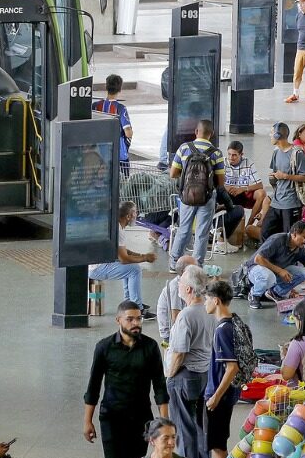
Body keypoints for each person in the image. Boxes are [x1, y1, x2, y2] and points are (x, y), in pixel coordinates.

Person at [85, 299, 170, 458]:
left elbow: (160, 386)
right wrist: (87, 421)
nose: (136, 323)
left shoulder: (151, 348)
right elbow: (93, 387)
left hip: (140, 420)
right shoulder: (104, 348)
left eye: (138, 319)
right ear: (119, 320)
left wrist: (163, 423)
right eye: (130, 319)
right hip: (111, 417)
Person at [164, 266, 214, 458]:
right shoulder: (209, 311)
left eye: (180, 282)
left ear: (188, 288)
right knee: (202, 425)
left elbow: (179, 353)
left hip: (184, 376)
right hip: (204, 373)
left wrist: (169, 375)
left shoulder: (186, 316)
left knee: (184, 427)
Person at [201, 280, 242, 458]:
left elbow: (232, 367)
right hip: (229, 394)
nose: (205, 303)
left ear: (216, 301)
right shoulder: (235, 321)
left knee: (217, 445)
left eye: (207, 299)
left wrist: (215, 396)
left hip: (220, 396)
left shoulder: (222, 329)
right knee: (218, 442)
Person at [168, 119, 223, 268]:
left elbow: (173, 174)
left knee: (183, 229)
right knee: (202, 233)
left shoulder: (184, 148)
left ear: (196, 132)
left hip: (187, 197)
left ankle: (174, 264)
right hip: (207, 198)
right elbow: (221, 181)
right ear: (211, 134)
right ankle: (197, 265)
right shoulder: (216, 153)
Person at [246, 223, 305, 308]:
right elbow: (258, 259)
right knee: (269, 277)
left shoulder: (300, 250)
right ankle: (254, 295)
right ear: (294, 234)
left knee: (303, 273)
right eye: (304, 237)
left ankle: (276, 293)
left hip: (273, 272)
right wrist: (280, 271)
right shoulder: (277, 240)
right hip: (256, 268)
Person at [91, 201, 158, 305]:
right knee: (135, 270)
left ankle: (129, 302)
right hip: (96, 268)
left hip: (99, 264)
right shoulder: (117, 230)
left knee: (131, 266)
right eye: (135, 212)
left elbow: (123, 251)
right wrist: (145, 258)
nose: (137, 215)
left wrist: (141, 255)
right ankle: (137, 307)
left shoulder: (116, 226)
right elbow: (124, 259)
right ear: (128, 216)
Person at [262, 123, 305, 238]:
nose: (270, 135)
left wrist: (285, 176)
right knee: (265, 232)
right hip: (276, 200)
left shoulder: (297, 153)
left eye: (271, 133)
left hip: (291, 203)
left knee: (289, 237)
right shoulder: (276, 152)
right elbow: (276, 173)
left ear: (278, 135)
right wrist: (274, 177)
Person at [156, 256, 199, 345]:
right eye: (195, 267)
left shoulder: (187, 283)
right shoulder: (176, 286)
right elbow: (175, 317)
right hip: (171, 334)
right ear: (184, 272)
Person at [96, 73, 135, 168]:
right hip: (118, 154)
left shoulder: (96, 106)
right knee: (123, 180)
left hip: (98, 154)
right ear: (120, 89)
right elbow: (128, 133)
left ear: (106, 87)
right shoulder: (121, 109)